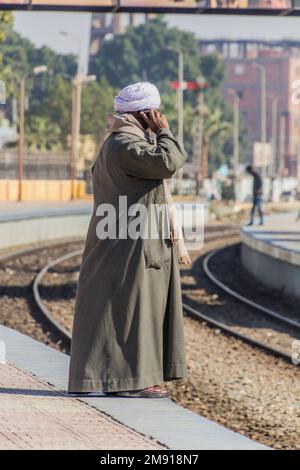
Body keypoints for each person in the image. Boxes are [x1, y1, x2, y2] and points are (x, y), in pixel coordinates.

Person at [68, 82, 189, 399]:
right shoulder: (126, 144)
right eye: (157, 113)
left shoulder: (123, 142)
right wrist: (164, 132)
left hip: (130, 240)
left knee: (131, 310)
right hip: (129, 244)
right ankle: (131, 381)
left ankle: (130, 379)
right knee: (133, 311)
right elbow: (170, 161)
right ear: (145, 114)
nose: (161, 118)